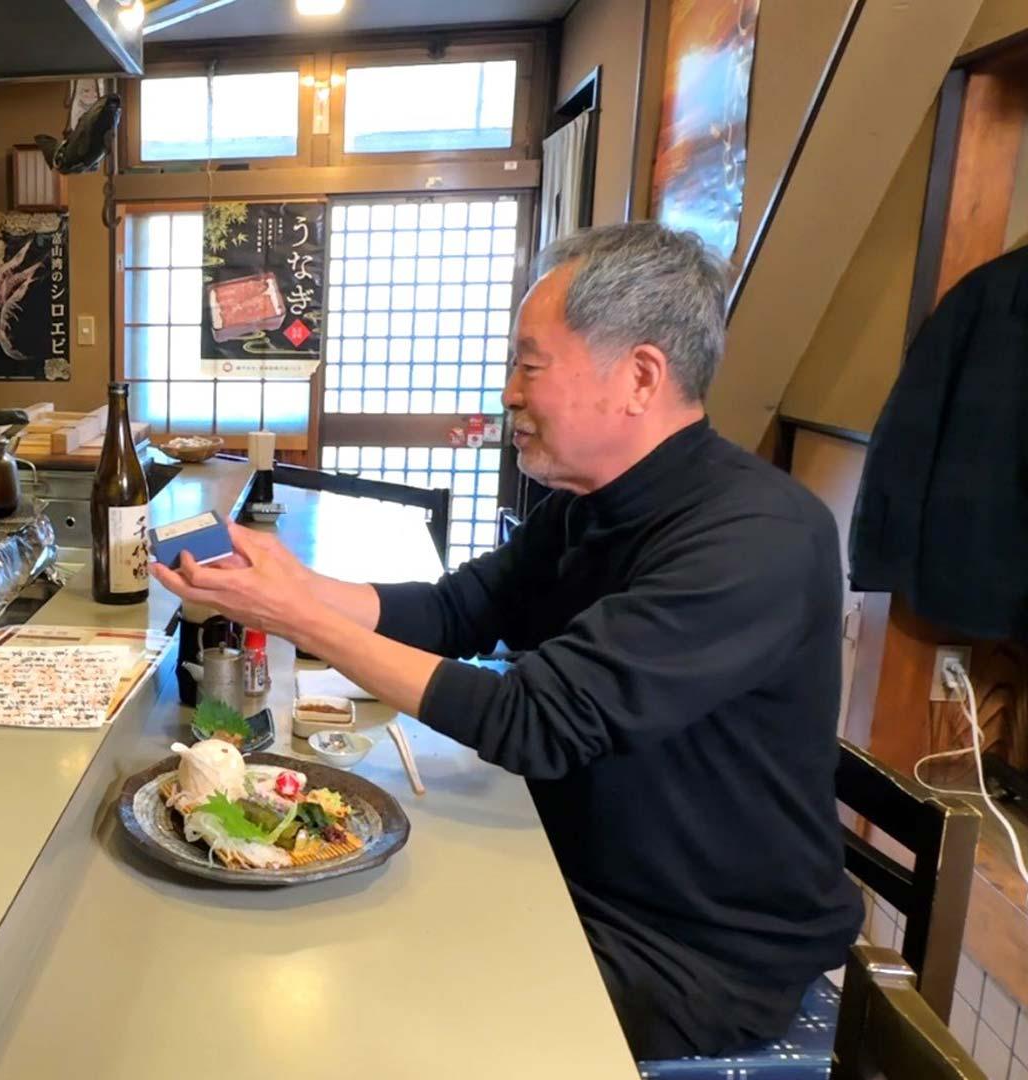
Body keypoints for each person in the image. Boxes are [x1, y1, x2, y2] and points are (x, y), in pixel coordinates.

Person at [153, 222, 862, 1059]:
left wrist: (299, 620)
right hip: (571, 872)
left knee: (353, 1006)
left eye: (531, 365)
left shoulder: (755, 537)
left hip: (690, 949)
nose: (508, 393)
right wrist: (294, 581)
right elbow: (459, 611)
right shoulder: (586, 501)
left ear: (639, 377)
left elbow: (536, 720)